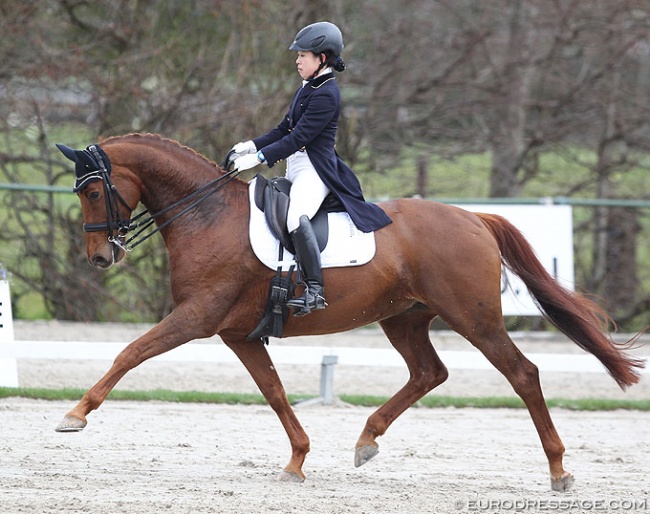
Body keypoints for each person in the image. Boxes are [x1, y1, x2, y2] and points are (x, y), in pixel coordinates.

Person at [231, 21, 392, 316]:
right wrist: (251, 145)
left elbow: (299, 138)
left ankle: (315, 290)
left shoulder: (327, 93)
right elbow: (284, 128)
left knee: (295, 218)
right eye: (298, 55)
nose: (297, 60)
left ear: (322, 59)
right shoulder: (308, 88)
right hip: (295, 167)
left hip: (315, 170)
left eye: (303, 55)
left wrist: (260, 159)